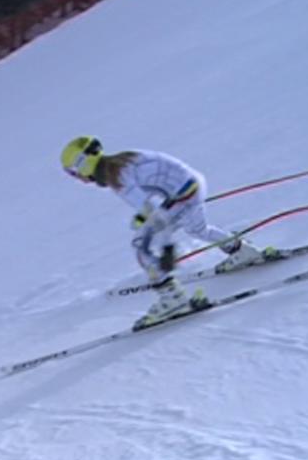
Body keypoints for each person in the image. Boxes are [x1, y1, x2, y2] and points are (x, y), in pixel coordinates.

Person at [60, 135, 264, 325]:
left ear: (83, 164)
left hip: (182, 197)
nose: (78, 179)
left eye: (74, 172)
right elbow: (155, 189)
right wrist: (145, 215)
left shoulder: (118, 178)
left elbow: (160, 218)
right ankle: (242, 251)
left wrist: (167, 248)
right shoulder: (123, 159)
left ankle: (172, 297)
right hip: (192, 186)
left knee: (141, 246)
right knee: (197, 229)